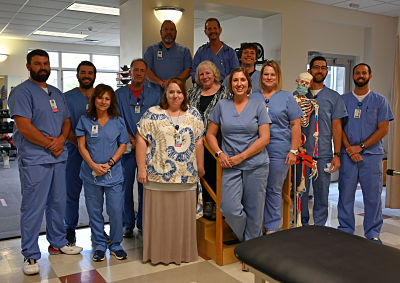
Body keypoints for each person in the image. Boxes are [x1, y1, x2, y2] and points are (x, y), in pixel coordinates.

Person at [8, 49, 82, 276]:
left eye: (46, 64)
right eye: (38, 64)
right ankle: (30, 253)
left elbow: (67, 121)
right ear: (29, 66)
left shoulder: (56, 93)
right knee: (33, 207)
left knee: (58, 202)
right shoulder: (21, 92)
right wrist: (50, 144)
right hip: (35, 159)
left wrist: (61, 140)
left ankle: (58, 242)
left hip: (58, 157)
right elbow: (24, 126)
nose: (43, 67)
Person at [136, 78, 204, 264]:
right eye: (171, 92)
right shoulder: (152, 114)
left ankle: (183, 253)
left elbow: (199, 142)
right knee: (160, 219)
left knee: (181, 220)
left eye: (179, 92)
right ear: (165, 94)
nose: (175, 95)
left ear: (185, 94)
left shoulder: (194, 115)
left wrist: (200, 167)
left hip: (186, 177)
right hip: (156, 177)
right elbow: (141, 140)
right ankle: (157, 254)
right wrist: (141, 168)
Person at [206, 68, 270, 241]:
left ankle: (250, 250)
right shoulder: (222, 106)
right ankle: (249, 240)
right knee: (229, 208)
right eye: (235, 80)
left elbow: (265, 138)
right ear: (230, 84)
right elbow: (210, 134)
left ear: (248, 84)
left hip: (256, 164)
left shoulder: (258, 105)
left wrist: (242, 156)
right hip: (230, 166)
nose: (239, 84)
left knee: (255, 210)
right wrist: (219, 154)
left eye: (243, 80)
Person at [338, 63, 393, 243]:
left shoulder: (380, 101)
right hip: (348, 155)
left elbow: (383, 129)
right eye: (357, 73)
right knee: (345, 194)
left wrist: (360, 147)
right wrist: (350, 149)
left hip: (371, 156)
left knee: (372, 196)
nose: (360, 75)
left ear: (370, 76)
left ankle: (372, 233)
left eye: (364, 73)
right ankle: (345, 229)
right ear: (353, 76)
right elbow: (338, 128)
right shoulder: (343, 100)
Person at [76, 84, 129, 262]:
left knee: (115, 210)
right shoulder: (85, 120)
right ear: (94, 99)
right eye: (100, 98)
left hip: (113, 174)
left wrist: (110, 163)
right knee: (94, 211)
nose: (103, 101)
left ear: (111, 101)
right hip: (91, 174)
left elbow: (123, 144)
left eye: (107, 98)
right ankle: (99, 244)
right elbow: (81, 146)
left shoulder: (118, 121)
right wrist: (93, 165)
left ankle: (115, 244)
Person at [252, 60, 303, 233]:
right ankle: (255, 227)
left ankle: (272, 228)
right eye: (265, 74)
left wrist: (293, 150)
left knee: (273, 189)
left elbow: (296, 125)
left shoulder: (287, 97)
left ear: (278, 77)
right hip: (256, 150)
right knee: (257, 189)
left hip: (279, 150)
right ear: (261, 77)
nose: (269, 77)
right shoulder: (253, 96)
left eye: (272, 74)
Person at [298, 56, 348, 226]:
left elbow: (337, 128)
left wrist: (337, 154)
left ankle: (319, 228)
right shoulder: (298, 95)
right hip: (302, 154)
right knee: (300, 193)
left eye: (323, 67)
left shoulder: (334, 98)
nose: (320, 70)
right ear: (310, 70)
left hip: (324, 155)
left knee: (322, 194)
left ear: (327, 71)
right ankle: (301, 225)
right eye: (316, 67)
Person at [116, 59, 160, 237]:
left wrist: (143, 140)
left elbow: (157, 118)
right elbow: (117, 118)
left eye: (143, 70)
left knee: (145, 186)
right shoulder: (119, 94)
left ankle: (143, 222)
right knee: (125, 187)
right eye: (136, 70)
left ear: (146, 72)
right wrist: (131, 138)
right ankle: (127, 224)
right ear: (130, 72)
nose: (139, 73)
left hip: (148, 148)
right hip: (127, 148)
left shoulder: (154, 93)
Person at [188, 60, 231, 218]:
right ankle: (204, 203)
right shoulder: (192, 92)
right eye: (201, 74)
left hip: (217, 140)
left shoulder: (225, 92)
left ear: (215, 74)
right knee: (200, 171)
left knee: (214, 172)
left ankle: (215, 204)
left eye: (208, 73)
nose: (205, 76)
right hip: (194, 142)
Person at [64, 61, 96, 245]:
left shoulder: (100, 97)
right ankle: (70, 229)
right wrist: (80, 146)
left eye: (90, 72)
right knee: (71, 192)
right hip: (74, 151)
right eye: (83, 72)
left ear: (94, 76)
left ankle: (97, 230)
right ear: (77, 75)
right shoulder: (66, 97)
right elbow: (65, 125)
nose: (86, 75)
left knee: (95, 194)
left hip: (96, 154)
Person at [143, 20, 192, 94]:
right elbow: (146, 71)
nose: (169, 32)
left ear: (176, 32)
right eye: (166, 29)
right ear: (160, 32)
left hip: (177, 94)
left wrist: (171, 83)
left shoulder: (185, 51)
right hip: (155, 94)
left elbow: (188, 70)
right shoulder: (151, 50)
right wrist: (161, 83)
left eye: (172, 30)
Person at [191, 18, 240, 83]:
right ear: (205, 32)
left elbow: (236, 73)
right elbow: (194, 72)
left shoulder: (230, 52)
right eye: (209, 29)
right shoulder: (201, 52)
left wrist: (223, 83)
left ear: (220, 30)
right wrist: (205, 81)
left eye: (215, 28)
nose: (212, 31)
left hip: (225, 89)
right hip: (205, 89)